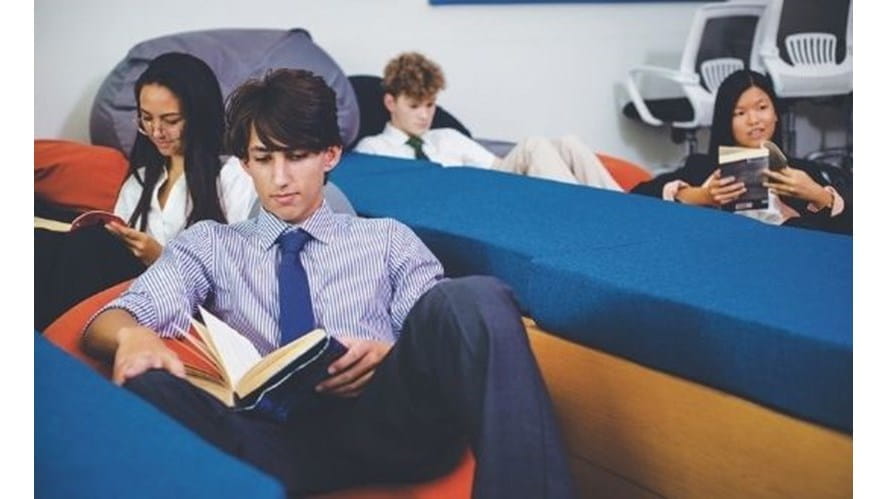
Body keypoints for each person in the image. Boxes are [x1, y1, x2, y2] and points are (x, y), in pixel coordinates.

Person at [82, 68, 575, 498]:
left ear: (330, 155)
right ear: (245, 164)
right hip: (265, 439)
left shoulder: (386, 239)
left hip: (387, 427)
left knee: (477, 297)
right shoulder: (210, 244)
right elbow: (109, 319)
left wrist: (389, 354)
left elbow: (438, 331)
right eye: (264, 158)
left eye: (297, 156)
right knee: (146, 383)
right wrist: (133, 336)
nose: (280, 178)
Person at [34, 52, 256, 330]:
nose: (157, 132)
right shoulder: (139, 182)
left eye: (171, 120)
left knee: (89, 245)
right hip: (123, 295)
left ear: (199, 116)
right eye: (147, 119)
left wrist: (160, 258)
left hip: (181, 303)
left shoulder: (233, 176)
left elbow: (242, 278)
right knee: (42, 243)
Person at [354, 51, 622, 191]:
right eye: (414, 106)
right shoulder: (374, 148)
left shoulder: (447, 137)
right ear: (391, 103)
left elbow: (500, 168)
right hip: (460, 204)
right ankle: (580, 210)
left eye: (430, 105)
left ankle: (626, 207)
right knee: (533, 144)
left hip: (493, 190)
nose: (424, 115)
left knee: (567, 142)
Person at [631, 69, 851, 235]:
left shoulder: (802, 173)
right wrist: (701, 196)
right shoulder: (701, 168)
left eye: (762, 108)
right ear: (725, 121)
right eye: (740, 113)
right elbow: (637, 198)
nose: (754, 120)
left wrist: (818, 195)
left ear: (776, 113)